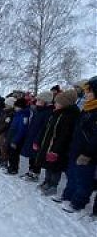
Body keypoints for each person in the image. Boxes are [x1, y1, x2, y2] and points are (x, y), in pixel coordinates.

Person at [52, 76, 97, 213]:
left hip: (87, 153)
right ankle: (67, 196)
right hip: (76, 148)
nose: (86, 93)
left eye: (89, 91)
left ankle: (78, 203)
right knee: (72, 174)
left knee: (83, 179)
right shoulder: (87, 108)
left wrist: (88, 153)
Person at [36, 89, 80, 196]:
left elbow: (64, 136)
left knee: (55, 167)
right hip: (49, 144)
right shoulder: (56, 113)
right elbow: (46, 128)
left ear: (65, 103)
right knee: (48, 164)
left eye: (58, 102)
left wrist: (56, 150)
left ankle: (53, 185)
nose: (55, 104)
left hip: (58, 148)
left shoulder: (69, 116)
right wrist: (40, 141)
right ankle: (47, 181)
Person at [20, 91, 54, 181]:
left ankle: (35, 174)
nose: (37, 101)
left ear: (45, 101)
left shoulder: (47, 112)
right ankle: (30, 171)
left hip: (38, 138)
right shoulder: (38, 110)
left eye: (39, 100)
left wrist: (37, 140)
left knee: (36, 157)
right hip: (32, 136)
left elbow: (44, 128)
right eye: (37, 99)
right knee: (31, 156)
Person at [5, 97, 30, 174]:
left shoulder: (23, 116)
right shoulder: (17, 114)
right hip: (11, 137)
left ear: (20, 107)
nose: (14, 108)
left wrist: (15, 141)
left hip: (16, 139)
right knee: (10, 153)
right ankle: (11, 166)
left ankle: (14, 169)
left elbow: (22, 130)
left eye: (16, 106)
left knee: (14, 154)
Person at [0, 97, 15, 168]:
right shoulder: (4, 111)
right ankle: (2, 159)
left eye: (7, 104)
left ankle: (4, 161)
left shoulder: (11, 113)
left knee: (4, 147)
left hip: (5, 132)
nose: (5, 105)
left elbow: (6, 124)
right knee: (1, 146)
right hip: (1, 131)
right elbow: (0, 121)